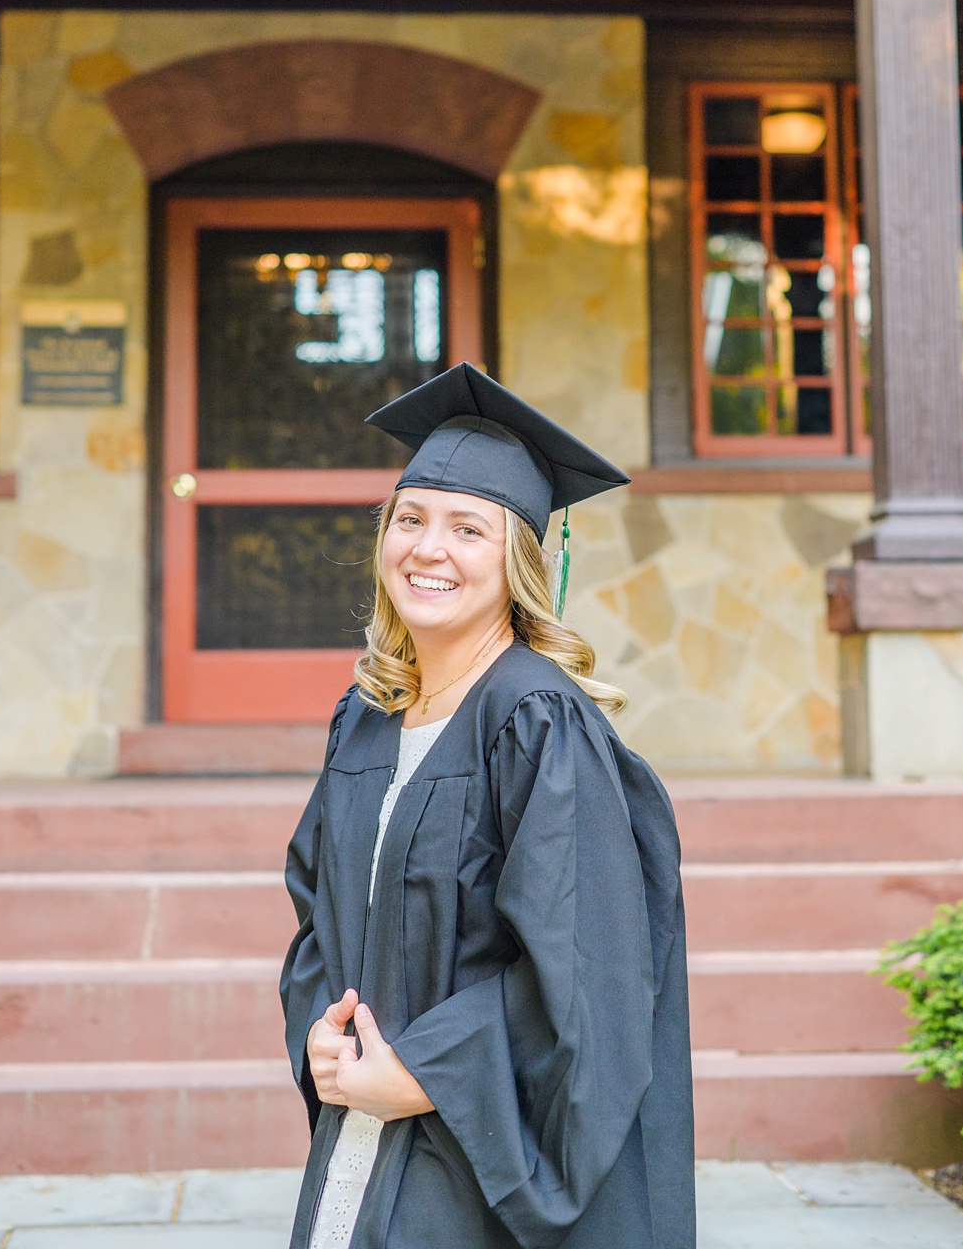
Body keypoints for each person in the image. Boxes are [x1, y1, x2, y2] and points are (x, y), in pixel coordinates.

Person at [279, 363, 693, 1249]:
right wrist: (322, 1033)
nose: (429, 550)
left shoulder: (537, 718)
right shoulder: (368, 716)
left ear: (518, 562)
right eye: (412, 519)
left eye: (469, 528)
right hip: (365, 1126)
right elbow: (321, 916)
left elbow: (587, 962)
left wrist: (424, 1071)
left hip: (478, 1138)